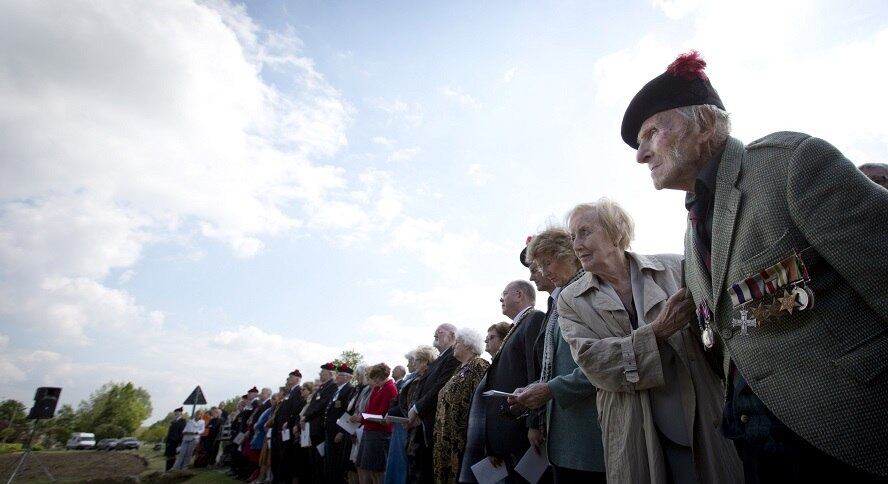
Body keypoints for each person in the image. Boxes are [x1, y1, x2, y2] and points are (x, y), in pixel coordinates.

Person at [622, 51, 888, 480]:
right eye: (640, 143)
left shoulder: (789, 164)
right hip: (761, 449)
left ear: (704, 123)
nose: (641, 155)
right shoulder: (692, 230)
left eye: (652, 132)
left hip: (850, 438)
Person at [557, 199, 742, 483]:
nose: (577, 245)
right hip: (630, 425)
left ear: (616, 232)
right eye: (573, 237)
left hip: (700, 412)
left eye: (584, 232)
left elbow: (720, 326)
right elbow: (593, 362)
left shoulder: (675, 267)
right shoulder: (570, 300)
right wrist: (655, 333)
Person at [512, 228, 605, 482]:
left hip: (589, 439)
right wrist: (535, 389)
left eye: (547, 263)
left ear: (570, 254)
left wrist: (550, 389)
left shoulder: (591, 292)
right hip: (563, 441)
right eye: (539, 266)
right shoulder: (562, 300)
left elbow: (605, 362)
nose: (542, 272)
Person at [460, 279, 546, 483]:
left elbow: (536, 372)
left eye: (505, 294)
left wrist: (535, 422)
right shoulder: (516, 327)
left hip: (522, 436)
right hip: (505, 438)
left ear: (519, 295)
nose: (501, 299)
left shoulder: (534, 319)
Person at [433, 328, 489, 484]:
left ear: (469, 345)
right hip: (446, 440)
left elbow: (482, 403)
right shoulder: (459, 369)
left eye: (457, 342)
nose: (453, 345)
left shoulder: (479, 364)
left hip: (462, 440)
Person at [406, 324, 460, 483]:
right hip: (424, 424)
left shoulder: (452, 356)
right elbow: (423, 388)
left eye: (440, 332)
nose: (435, 334)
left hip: (435, 427)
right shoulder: (439, 359)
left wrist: (417, 408)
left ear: (452, 336)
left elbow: (440, 386)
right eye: (435, 332)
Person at [385, 347, 436, 484]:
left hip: (418, 427)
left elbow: (417, 402)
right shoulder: (415, 378)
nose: (413, 364)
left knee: (413, 469)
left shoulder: (427, 378)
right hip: (407, 424)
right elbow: (402, 400)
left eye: (417, 360)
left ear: (426, 362)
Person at [357, 363, 398, 484]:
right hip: (369, 430)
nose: (374, 380)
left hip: (380, 433)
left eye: (376, 377)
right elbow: (369, 409)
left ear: (382, 376)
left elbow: (384, 412)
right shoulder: (377, 388)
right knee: (366, 467)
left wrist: (363, 418)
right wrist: (363, 417)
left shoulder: (390, 388)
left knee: (377, 470)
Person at [302, 362, 338, 483]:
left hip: (319, 428)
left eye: (322, 372)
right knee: (312, 460)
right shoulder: (322, 387)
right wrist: (305, 417)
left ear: (330, 373)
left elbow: (321, 405)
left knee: (318, 460)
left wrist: (306, 416)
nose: (320, 374)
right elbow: (312, 404)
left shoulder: (332, 386)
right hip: (312, 427)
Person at [325, 364, 358, 484]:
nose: (337, 376)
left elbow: (347, 411)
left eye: (340, 375)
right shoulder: (336, 390)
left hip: (338, 430)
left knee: (336, 461)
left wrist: (341, 431)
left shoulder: (349, 389)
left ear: (348, 377)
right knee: (328, 461)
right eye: (338, 374)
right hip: (329, 429)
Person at [272, 369, 306, 483]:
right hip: (281, 428)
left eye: (290, 378)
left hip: (288, 428)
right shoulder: (290, 392)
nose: (288, 380)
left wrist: (289, 421)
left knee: (286, 455)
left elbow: (296, 409)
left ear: (297, 379)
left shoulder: (297, 391)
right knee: (280, 454)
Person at [164, 407, 186, 471]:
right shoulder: (173, 421)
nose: (176, 413)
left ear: (181, 413)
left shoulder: (182, 421)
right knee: (168, 456)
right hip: (170, 442)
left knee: (173, 456)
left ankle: (172, 469)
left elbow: (182, 433)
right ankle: (167, 469)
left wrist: (180, 444)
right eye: (175, 412)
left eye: (178, 412)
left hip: (176, 441)